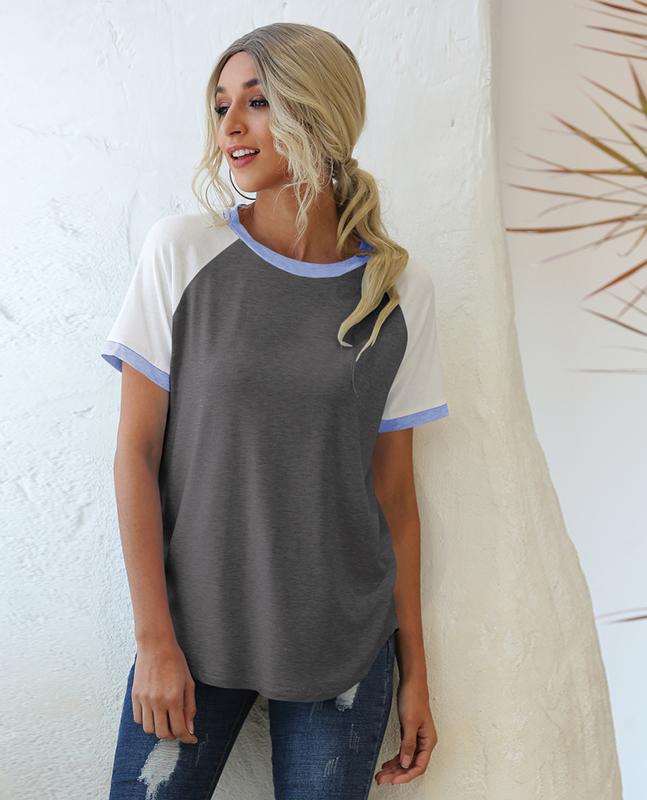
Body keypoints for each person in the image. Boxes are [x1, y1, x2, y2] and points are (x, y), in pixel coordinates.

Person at [101, 21, 449, 799]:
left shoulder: (399, 292)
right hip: (192, 635)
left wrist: (416, 673)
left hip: (344, 644)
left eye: (256, 102)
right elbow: (135, 453)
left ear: (318, 111)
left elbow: (394, 495)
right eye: (221, 104)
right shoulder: (182, 252)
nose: (230, 125)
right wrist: (154, 641)